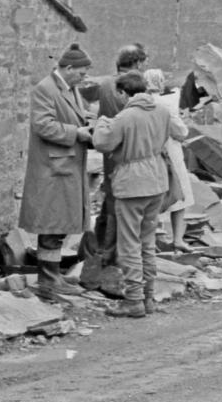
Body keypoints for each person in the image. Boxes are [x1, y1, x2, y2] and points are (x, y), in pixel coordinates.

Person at [92, 70, 188, 317]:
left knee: (129, 243)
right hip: (157, 180)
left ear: (123, 93)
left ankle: (133, 299)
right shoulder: (163, 110)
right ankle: (148, 297)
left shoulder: (125, 117)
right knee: (147, 241)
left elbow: (103, 143)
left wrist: (102, 122)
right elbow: (181, 132)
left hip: (132, 183)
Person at [17, 43, 94, 301]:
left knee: (59, 226)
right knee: (51, 225)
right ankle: (48, 282)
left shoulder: (69, 88)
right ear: (68, 68)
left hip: (66, 165)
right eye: (81, 73)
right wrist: (77, 133)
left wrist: (89, 125)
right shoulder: (45, 89)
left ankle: (53, 277)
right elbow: (43, 125)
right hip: (53, 169)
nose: (84, 78)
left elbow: (72, 117)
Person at [78, 43, 148, 293]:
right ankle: (117, 266)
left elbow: (81, 93)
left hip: (111, 156)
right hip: (135, 159)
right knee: (129, 215)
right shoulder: (139, 89)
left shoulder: (105, 84)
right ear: (138, 63)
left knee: (110, 206)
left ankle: (100, 256)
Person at [145, 68, 194, 251]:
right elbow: (181, 132)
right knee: (179, 195)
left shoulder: (139, 102)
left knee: (152, 197)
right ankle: (178, 239)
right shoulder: (165, 104)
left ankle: (150, 239)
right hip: (171, 152)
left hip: (149, 154)